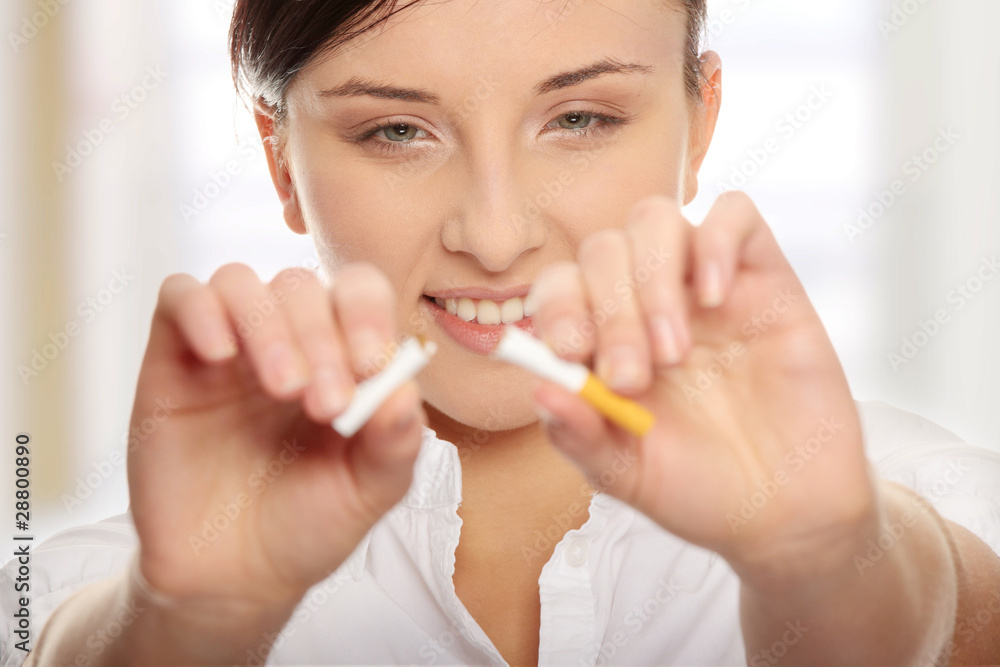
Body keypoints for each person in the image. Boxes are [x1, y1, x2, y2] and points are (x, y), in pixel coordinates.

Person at [3, 0, 1000, 665]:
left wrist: (826, 560)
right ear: (279, 161)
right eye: (396, 131)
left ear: (699, 125)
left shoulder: (915, 497)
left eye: (580, 119)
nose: (493, 235)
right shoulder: (113, 592)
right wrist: (191, 621)